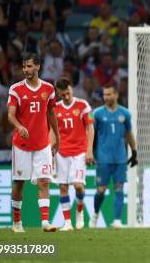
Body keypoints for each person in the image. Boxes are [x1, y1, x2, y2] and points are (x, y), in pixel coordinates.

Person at [8, 52, 59, 232]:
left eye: (29, 66)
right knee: (20, 182)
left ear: (38, 66)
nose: (26, 70)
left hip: (42, 144)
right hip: (21, 145)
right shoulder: (16, 89)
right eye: (24, 66)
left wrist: (57, 137)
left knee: (44, 181)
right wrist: (19, 126)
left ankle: (45, 222)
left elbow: (51, 113)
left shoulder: (49, 89)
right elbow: (11, 115)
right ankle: (17, 223)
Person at [90, 84, 136, 228]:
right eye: (104, 95)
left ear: (116, 95)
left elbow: (128, 133)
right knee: (101, 190)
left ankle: (117, 220)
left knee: (119, 188)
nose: (106, 97)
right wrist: (89, 151)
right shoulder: (97, 113)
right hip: (103, 158)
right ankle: (95, 214)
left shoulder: (125, 114)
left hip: (120, 158)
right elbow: (91, 133)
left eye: (109, 94)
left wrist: (134, 151)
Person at [54, 78, 94, 231]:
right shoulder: (55, 108)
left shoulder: (83, 105)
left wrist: (89, 150)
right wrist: (51, 149)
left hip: (79, 152)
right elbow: (53, 130)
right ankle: (67, 223)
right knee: (63, 187)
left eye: (68, 93)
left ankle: (80, 210)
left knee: (78, 186)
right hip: (62, 152)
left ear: (71, 88)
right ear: (58, 93)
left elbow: (90, 127)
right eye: (63, 95)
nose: (66, 97)